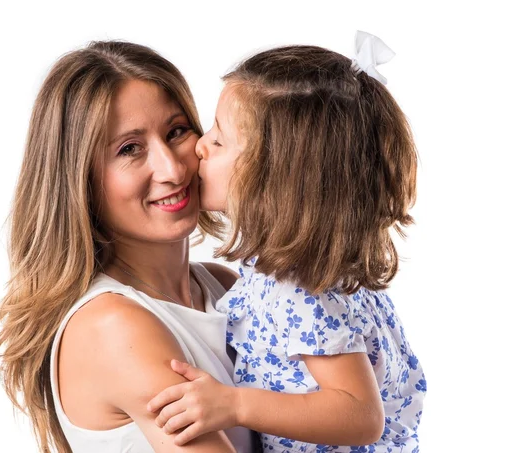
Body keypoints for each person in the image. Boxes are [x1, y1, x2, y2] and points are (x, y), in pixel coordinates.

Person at [147, 32, 426, 452]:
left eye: (219, 140)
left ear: (272, 181)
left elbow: (360, 415)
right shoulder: (303, 274)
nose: (200, 147)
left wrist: (235, 405)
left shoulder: (301, 290)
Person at [0, 40, 254, 453]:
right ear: (79, 182)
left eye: (177, 131)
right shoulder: (114, 326)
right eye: (130, 149)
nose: (172, 168)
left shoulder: (221, 285)